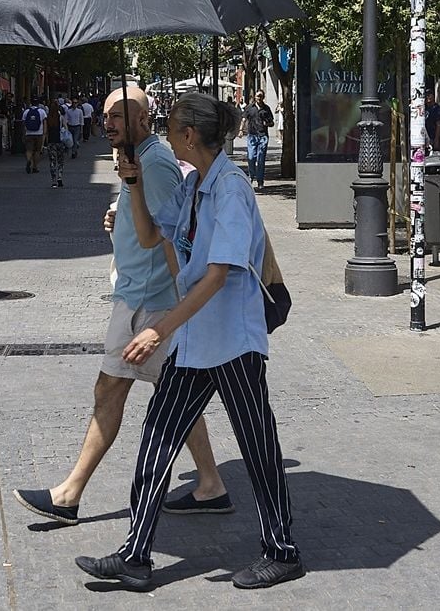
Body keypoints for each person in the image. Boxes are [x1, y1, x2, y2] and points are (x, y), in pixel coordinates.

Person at [78, 92, 302, 592]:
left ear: (189, 135)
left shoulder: (230, 189)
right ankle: (136, 554)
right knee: (158, 431)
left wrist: (161, 326)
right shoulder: (196, 185)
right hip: (197, 339)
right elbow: (153, 233)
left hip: (234, 341)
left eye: (172, 124)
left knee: (256, 441)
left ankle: (282, 551)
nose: (165, 128)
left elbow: (218, 274)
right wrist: (132, 184)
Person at [14, 86, 231, 528]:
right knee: (174, 397)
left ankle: (69, 494)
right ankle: (211, 483)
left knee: (114, 390)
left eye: (117, 115)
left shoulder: (154, 163)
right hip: (141, 296)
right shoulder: (138, 161)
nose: (108, 122)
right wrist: (122, 212)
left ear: (141, 119)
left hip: (149, 302)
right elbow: (146, 219)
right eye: (107, 115)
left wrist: (178, 305)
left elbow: (168, 235)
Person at [243, 91, 275, 190]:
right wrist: (240, 130)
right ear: (255, 97)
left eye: (261, 96)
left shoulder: (266, 109)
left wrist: (268, 124)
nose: (259, 98)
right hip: (252, 135)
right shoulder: (249, 108)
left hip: (263, 136)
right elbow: (244, 119)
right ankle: (251, 176)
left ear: (263, 97)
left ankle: (260, 181)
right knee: (251, 157)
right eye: (257, 96)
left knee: (261, 159)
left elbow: (272, 123)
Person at [21, 96, 47, 174]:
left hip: (29, 133)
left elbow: (23, 123)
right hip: (39, 133)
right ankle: (35, 166)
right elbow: (44, 123)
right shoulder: (42, 111)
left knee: (29, 150)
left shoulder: (26, 111)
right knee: (37, 151)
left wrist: (23, 133)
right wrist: (44, 133)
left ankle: (29, 161)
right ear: (38, 103)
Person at [46, 97, 67, 189]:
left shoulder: (48, 118)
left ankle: (53, 181)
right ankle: (60, 177)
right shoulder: (60, 117)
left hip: (51, 142)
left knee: (52, 161)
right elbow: (65, 128)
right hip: (60, 141)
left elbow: (46, 131)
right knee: (60, 161)